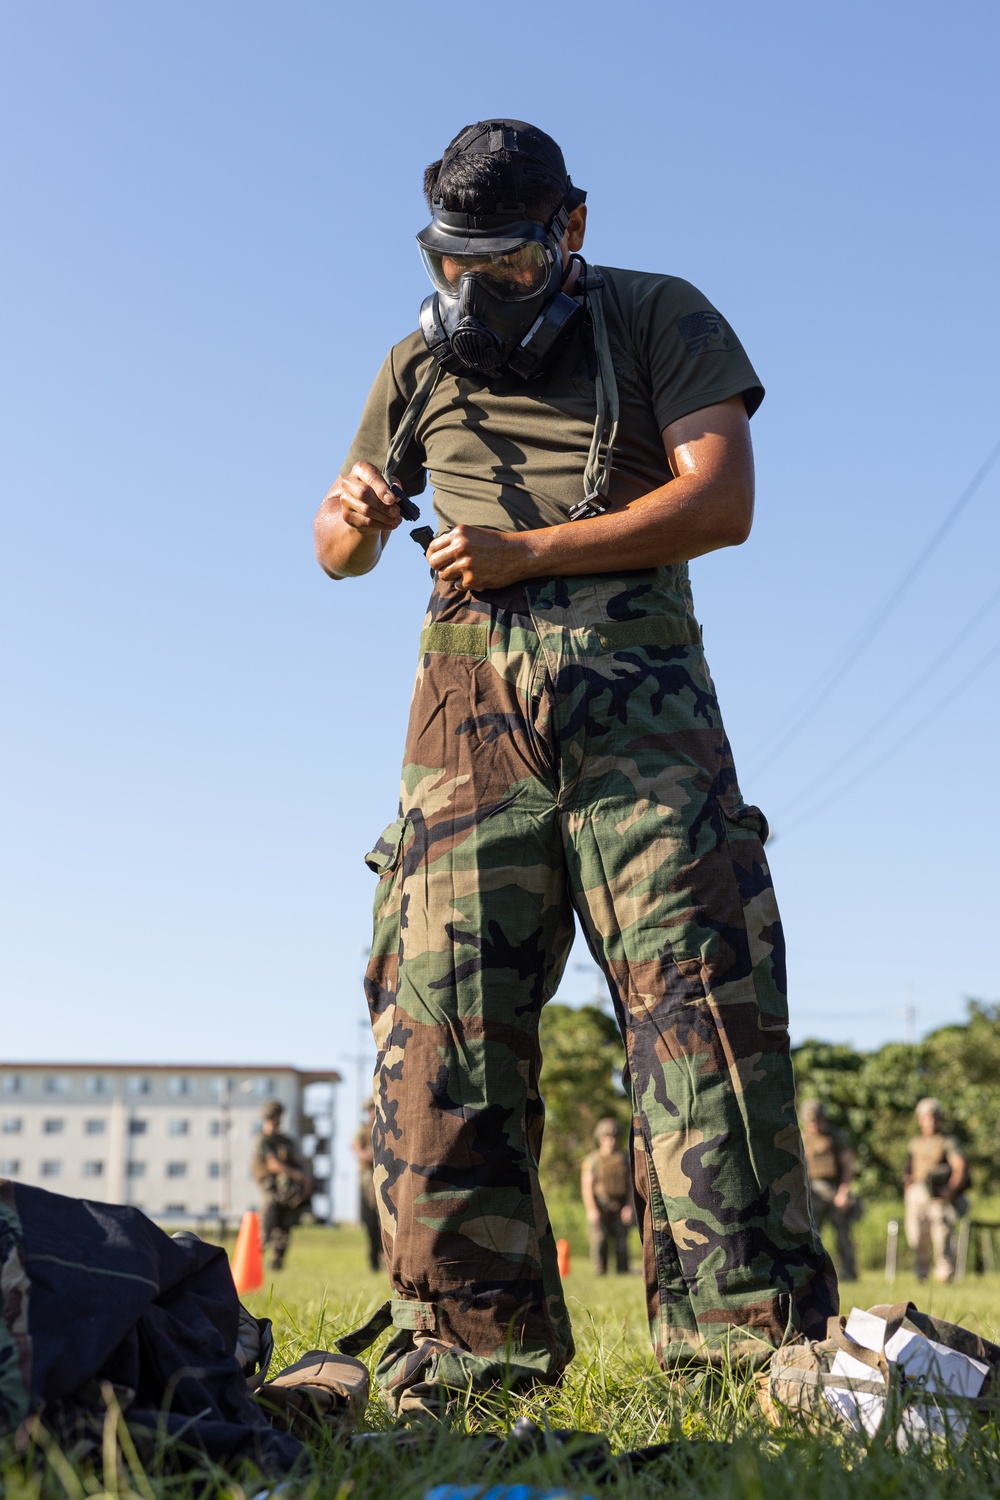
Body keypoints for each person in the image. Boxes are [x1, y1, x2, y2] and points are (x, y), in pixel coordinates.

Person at [314, 118, 837, 1411]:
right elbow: (330, 540)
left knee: (700, 1019)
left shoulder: (663, 316)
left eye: (510, 265)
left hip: (638, 704)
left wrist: (527, 556)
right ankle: (471, 1367)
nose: (481, 294)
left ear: (573, 230)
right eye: (457, 267)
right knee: (439, 1032)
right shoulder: (413, 366)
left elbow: (723, 501)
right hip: (463, 720)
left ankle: (749, 1357)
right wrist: (361, 520)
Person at [903, 1097, 968, 1282]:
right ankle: (921, 1275)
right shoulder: (915, 1142)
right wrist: (907, 1185)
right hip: (917, 1192)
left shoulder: (948, 1141)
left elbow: (959, 1167)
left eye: (934, 1117)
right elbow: (909, 1168)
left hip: (938, 1193)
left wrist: (951, 1189)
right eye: (926, 1117)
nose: (930, 1121)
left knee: (942, 1236)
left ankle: (944, 1275)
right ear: (920, 1119)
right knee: (916, 1236)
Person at [800, 1099, 858, 1281]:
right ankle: (811, 1273)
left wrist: (843, 1192)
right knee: (810, 1235)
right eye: (810, 1121)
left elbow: (848, 1166)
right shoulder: (801, 1137)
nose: (814, 1125)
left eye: (816, 1121)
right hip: (811, 1192)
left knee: (842, 1235)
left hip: (834, 1192)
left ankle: (849, 1273)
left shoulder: (835, 1137)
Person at [251, 1101, 313, 1272]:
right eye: (273, 1117)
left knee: (285, 1227)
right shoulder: (263, 1141)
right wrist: (295, 1174)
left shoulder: (285, 1141)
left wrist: (306, 1179)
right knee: (267, 1225)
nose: (276, 1120)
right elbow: (272, 1165)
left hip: (288, 1193)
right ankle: (254, 1263)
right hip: (270, 1189)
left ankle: (276, 1264)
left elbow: (300, 1162)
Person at [580, 1118, 634, 1275]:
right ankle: (599, 1272)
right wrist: (591, 1210)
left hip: (620, 1206)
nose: (610, 1141)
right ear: (599, 1138)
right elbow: (587, 1187)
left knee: (622, 1243)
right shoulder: (592, 1160)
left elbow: (631, 1185)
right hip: (600, 1206)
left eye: (613, 1137)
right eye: (606, 1137)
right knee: (599, 1240)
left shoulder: (624, 1159)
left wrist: (629, 1206)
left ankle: (623, 1273)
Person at [352, 1097, 384, 1272]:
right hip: (367, 1179)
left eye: (375, 1108)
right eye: (370, 1109)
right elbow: (359, 1152)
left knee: (384, 1222)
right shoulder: (362, 1131)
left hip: (384, 1178)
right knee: (370, 1222)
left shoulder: (385, 1128)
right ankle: (373, 1260)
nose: (373, 1112)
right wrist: (378, 1155)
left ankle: (383, 1259)